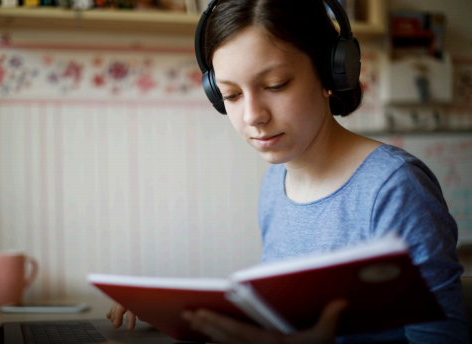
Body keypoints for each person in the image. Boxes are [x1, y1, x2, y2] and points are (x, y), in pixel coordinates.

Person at [106, 0, 470, 343]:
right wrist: (184, 316)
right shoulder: (275, 183)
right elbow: (285, 316)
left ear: (331, 73)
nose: (252, 116)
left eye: (276, 85)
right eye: (231, 95)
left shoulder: (394, 187)